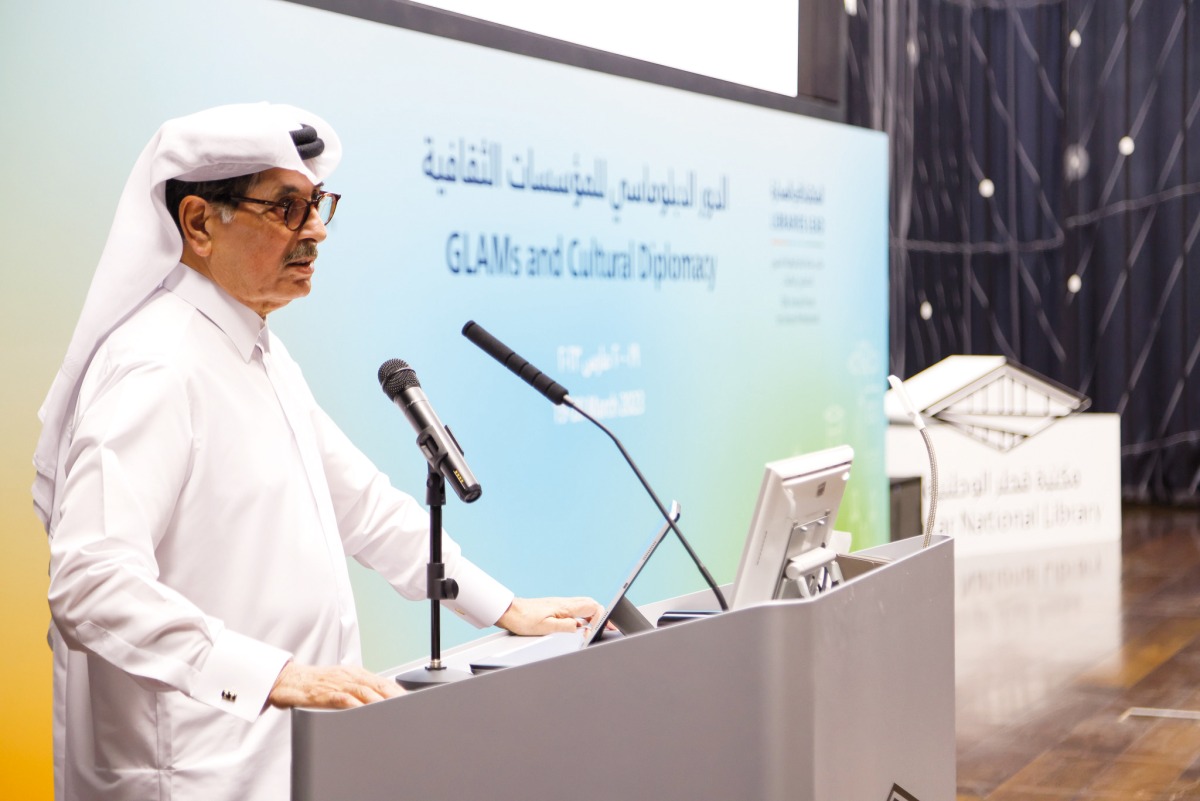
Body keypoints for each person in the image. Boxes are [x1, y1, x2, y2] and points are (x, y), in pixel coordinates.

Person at [34, 103, 603, 801]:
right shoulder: (157, 364)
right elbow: (89, 579)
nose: (317, 230)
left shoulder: (254, 350)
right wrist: (275, 673)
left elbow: (364, 507)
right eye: (287, 208)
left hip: (279, 764)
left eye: (317, 205)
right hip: (191, 776)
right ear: (199, 224)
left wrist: (502, 606)